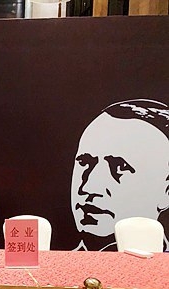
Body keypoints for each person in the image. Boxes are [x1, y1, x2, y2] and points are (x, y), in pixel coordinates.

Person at [71, 99, 169, 251]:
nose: (89, 187)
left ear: (166, 191)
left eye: (120, 167)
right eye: (84, 163)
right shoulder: (51, 266)